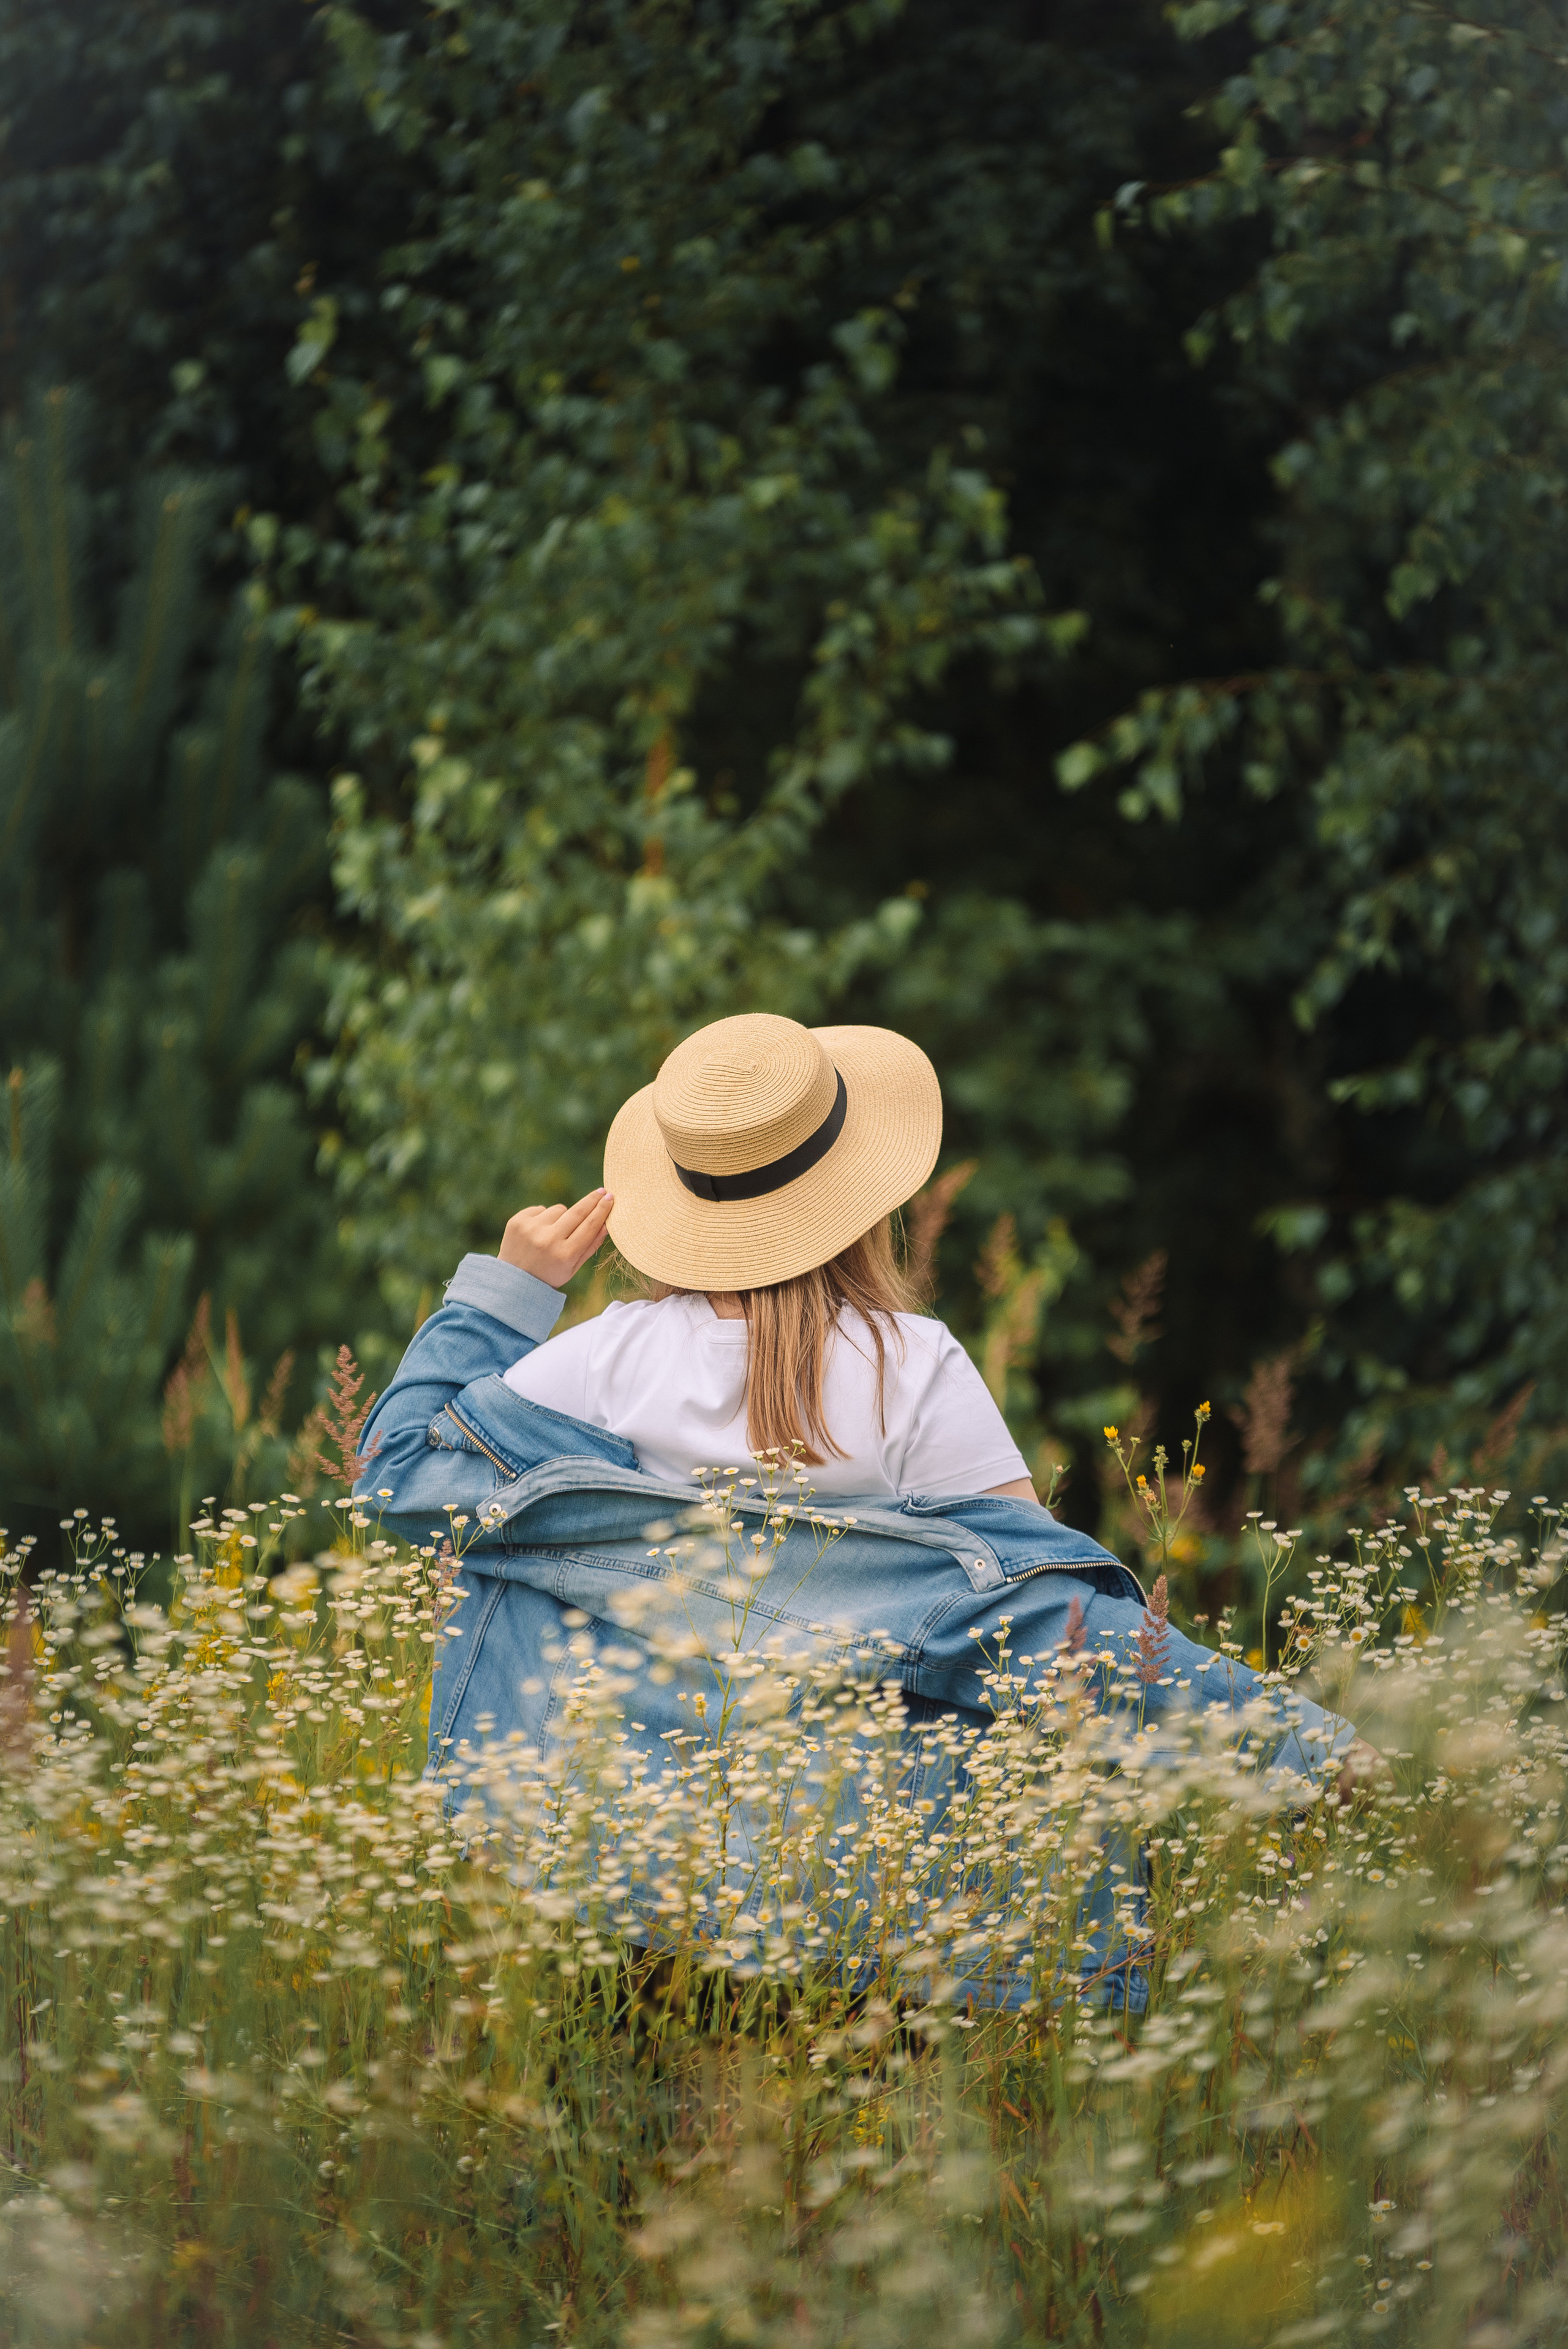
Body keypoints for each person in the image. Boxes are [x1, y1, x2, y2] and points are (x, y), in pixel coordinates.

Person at [356, 1014, 1367, 2002]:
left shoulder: (599, 1359)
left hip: (638, 1862)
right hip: (873, 1871)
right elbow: (1033, 1590)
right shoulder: (909, 1363)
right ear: (853, 1196)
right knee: (1029, 1627)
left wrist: (502, 1295)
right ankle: (1312, 1755)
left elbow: (396, 1470)